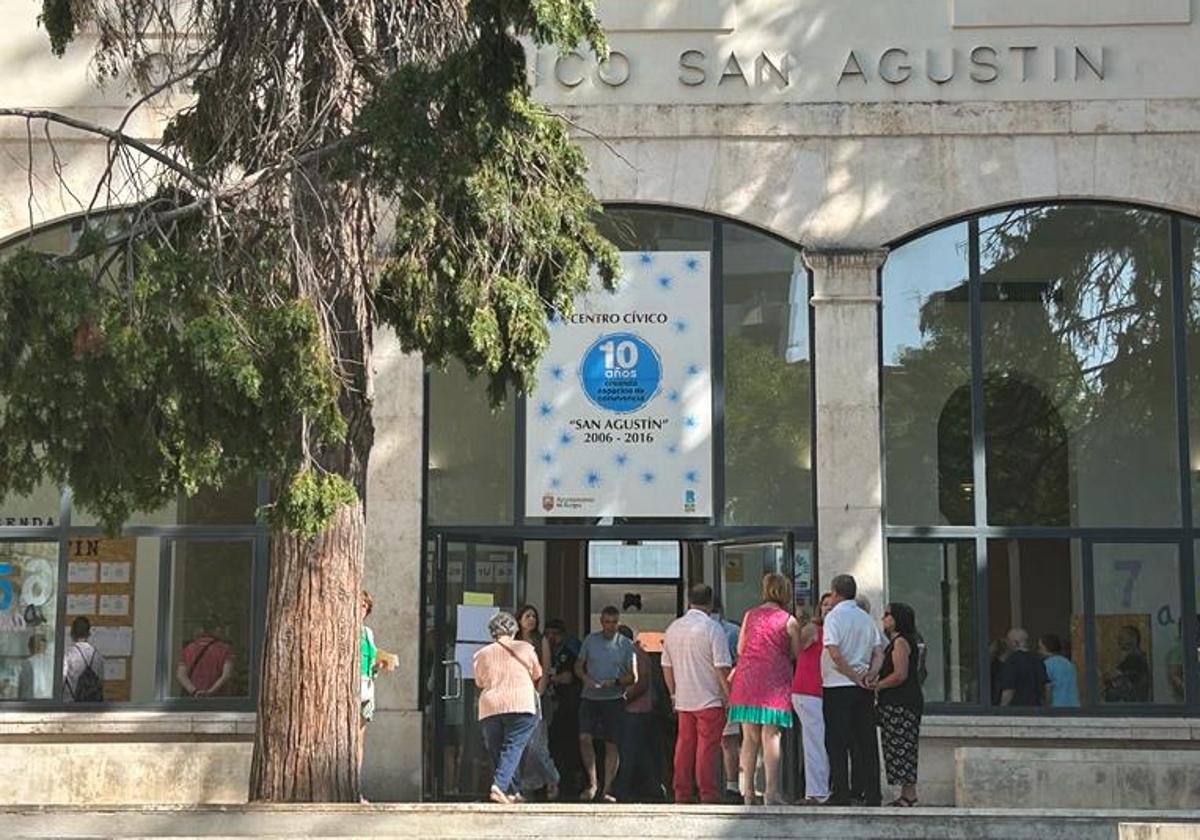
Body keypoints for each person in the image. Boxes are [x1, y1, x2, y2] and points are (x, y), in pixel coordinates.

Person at [728, 573, 801, 806]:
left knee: (749, 738)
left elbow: (740, 648)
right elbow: (796, 653)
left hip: (747, 680)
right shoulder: (789, 620)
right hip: (775, 681)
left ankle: (748, 792)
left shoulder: (750, 615)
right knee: (771, 736)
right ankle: (772, 792)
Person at [661, 583, 733, 804]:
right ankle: (707, 792)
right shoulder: (713, 628)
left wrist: (673, 694)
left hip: (684, 699)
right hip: (710, 698)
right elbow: (722, 666)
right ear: (710, 603)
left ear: (688, 600)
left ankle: (681, 792)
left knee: (684, 746)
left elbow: (666, 666)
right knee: (707, 747)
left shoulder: (673, 628)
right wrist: (729, 695)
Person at [822, 573, 883, 807]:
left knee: (837, 742)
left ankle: (841, 792)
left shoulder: (834, 617)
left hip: (838, 685)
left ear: (835, 592)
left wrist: (853, 675)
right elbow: (879, 652)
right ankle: (873, 794)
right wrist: (870, 674)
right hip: (863, 689)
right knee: (866, 742)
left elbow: (834, 653)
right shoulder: (865, 618)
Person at [474, 611, 542, 804]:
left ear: (492, 632)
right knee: (513, 747)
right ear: (514, 630)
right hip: (521, 704)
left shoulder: (481, 654)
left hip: (491, 706)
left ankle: (513, 792)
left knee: (499, 750)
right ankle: (499, 786)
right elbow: (537, 673)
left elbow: (479, 681)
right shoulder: (525, 648)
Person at [574, 605, 635, 801]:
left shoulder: (625, 644)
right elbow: (578, 665)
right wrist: (585, 678)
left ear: (619, 623)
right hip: (590, 697)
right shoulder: (591, 640)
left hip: (613, 698)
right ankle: (592, 783)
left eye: (614, 623)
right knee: (584, 738)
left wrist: (615, 682)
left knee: (612, 743)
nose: (610, 626)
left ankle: (607, 789)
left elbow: (632, 676)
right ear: (601, 622)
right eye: (607, 622)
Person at [873, 602, 924, 807]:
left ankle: (908, 794)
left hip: (901, 702)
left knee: (902, 744)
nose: (884, 618)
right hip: (898, 702)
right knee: (899, 745)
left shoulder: (901, 643)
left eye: (887, 615)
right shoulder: (896, 641)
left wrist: (878, 685)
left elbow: (900, 674)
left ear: (897, 619)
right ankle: (906, 793)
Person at [608, 625, 663, 802]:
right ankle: (652, 788)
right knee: (641, 751)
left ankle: (623, 789)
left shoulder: (635, 654)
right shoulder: (635, 653)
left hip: (635, 711)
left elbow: (642, 682)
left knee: (629, 751)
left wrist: (623, 699)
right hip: (637, 711)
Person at [514, 604, 560, 799]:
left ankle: (552, 779)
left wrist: (537, 695)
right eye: (527, 616)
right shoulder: (513, 642)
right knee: (521, 746)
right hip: (515, 698)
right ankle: (526, 786)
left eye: (534, 616)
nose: (531, 619)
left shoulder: (541, 641)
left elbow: (545, 669)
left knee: (538, 745)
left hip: (535, 699)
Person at [791, 592, 832, 805]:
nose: (828, 608)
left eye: (831, 605)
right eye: (824, 604)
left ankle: (820, 789)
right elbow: (795, 650)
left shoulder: (834, 630)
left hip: (824, 692)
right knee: (815, 741)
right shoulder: (813, 629)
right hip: (808, 691)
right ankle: (817, 792)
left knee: (820, 742)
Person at [359, 590, 397, 799]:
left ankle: (355, 786)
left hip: (366, 686)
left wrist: (381, 663)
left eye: (365, 606)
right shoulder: (344, 631)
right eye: (358, 605)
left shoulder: (367, 633)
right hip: (350, 688)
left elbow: (371, 658)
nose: (361, 609)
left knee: (359, 740)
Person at [544, 618, 584, 797]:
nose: (552, 637)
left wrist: (553, 678)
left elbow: (569, 676)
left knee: (566, 746)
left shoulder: (569, 650)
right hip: (554, 705)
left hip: (569, 704)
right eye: (549, 634)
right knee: (554, 746)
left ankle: (569, 784)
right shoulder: (547, 651)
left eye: (556, 634)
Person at [711, 596, 742, 803]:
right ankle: (731, 786)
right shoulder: (733, 630)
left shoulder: (693, 629)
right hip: (726, 690)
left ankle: (709, 785)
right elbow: (740, 661)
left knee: (712, 741)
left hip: (707, 691)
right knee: (729, 742)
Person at [176, 623, 235, 698]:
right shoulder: (225, 649)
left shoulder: (188, 649)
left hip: (193, 700)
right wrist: (209, 692)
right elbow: (226, 675)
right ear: (215, 631)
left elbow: (181, 675)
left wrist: (195, 691)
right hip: (218, 699)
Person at [998, 627, 1047, 707]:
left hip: (1018, 711)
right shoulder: (1038, 660)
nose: (1007, 643)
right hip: (1036, 709)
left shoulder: (1012, 661)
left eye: (1008, 640)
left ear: (1014, 642)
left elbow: (1009, 690)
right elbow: (1046, 688)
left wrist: (1001, 710)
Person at [1104, 625, 1151, 703]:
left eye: (1122, 637)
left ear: (1133, 639)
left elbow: (1110, 676)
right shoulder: (1132, 659)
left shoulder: (1136, 660)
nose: (1118, 640)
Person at [62, 616, 104, 703]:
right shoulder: (97, 655)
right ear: (88, 633)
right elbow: (100, 679)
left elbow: (62, 680)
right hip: (93, 703)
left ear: (72, 633)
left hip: (71, 702)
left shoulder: (68, 654)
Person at [1037, 634, 1080, 708]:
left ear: (1045, 648)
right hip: (1073, 705)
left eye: (1040, 647)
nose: (1038, 651)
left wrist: (1046, 707)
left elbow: (1048, 688)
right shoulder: (1068, 663)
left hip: (1057, 707)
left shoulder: (1046, 665)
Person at [18, 634, 52, 700]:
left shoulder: (50, 663)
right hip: (33, 700)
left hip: (44, 700)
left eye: (41, 646)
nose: (39, 649)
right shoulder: (25, 664)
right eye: (37, 646)